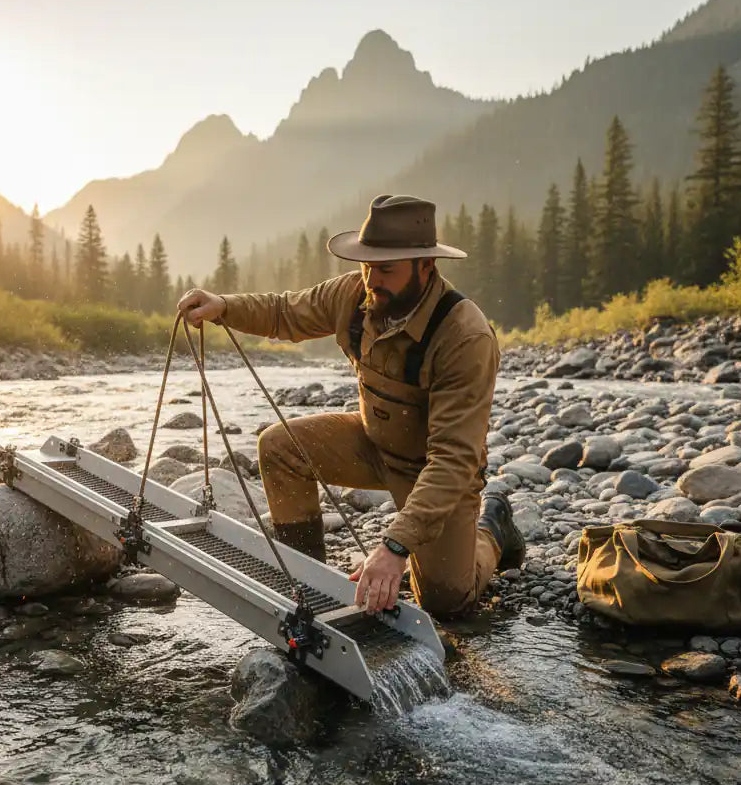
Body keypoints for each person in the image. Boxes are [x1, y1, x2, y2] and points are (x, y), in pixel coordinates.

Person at [178, 194, 524, 620]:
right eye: (366, 265)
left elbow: (454, 460)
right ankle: (305, 585)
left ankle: (492, 529)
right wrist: (225, 307)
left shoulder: (465, 337)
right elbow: (286, 312)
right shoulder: (354, 295)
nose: (371, 279)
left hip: (434, 472)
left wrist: (395, 547)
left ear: (426, 266)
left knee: (447, 605)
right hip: (372, 445)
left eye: (385, 269)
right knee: (279, 447)